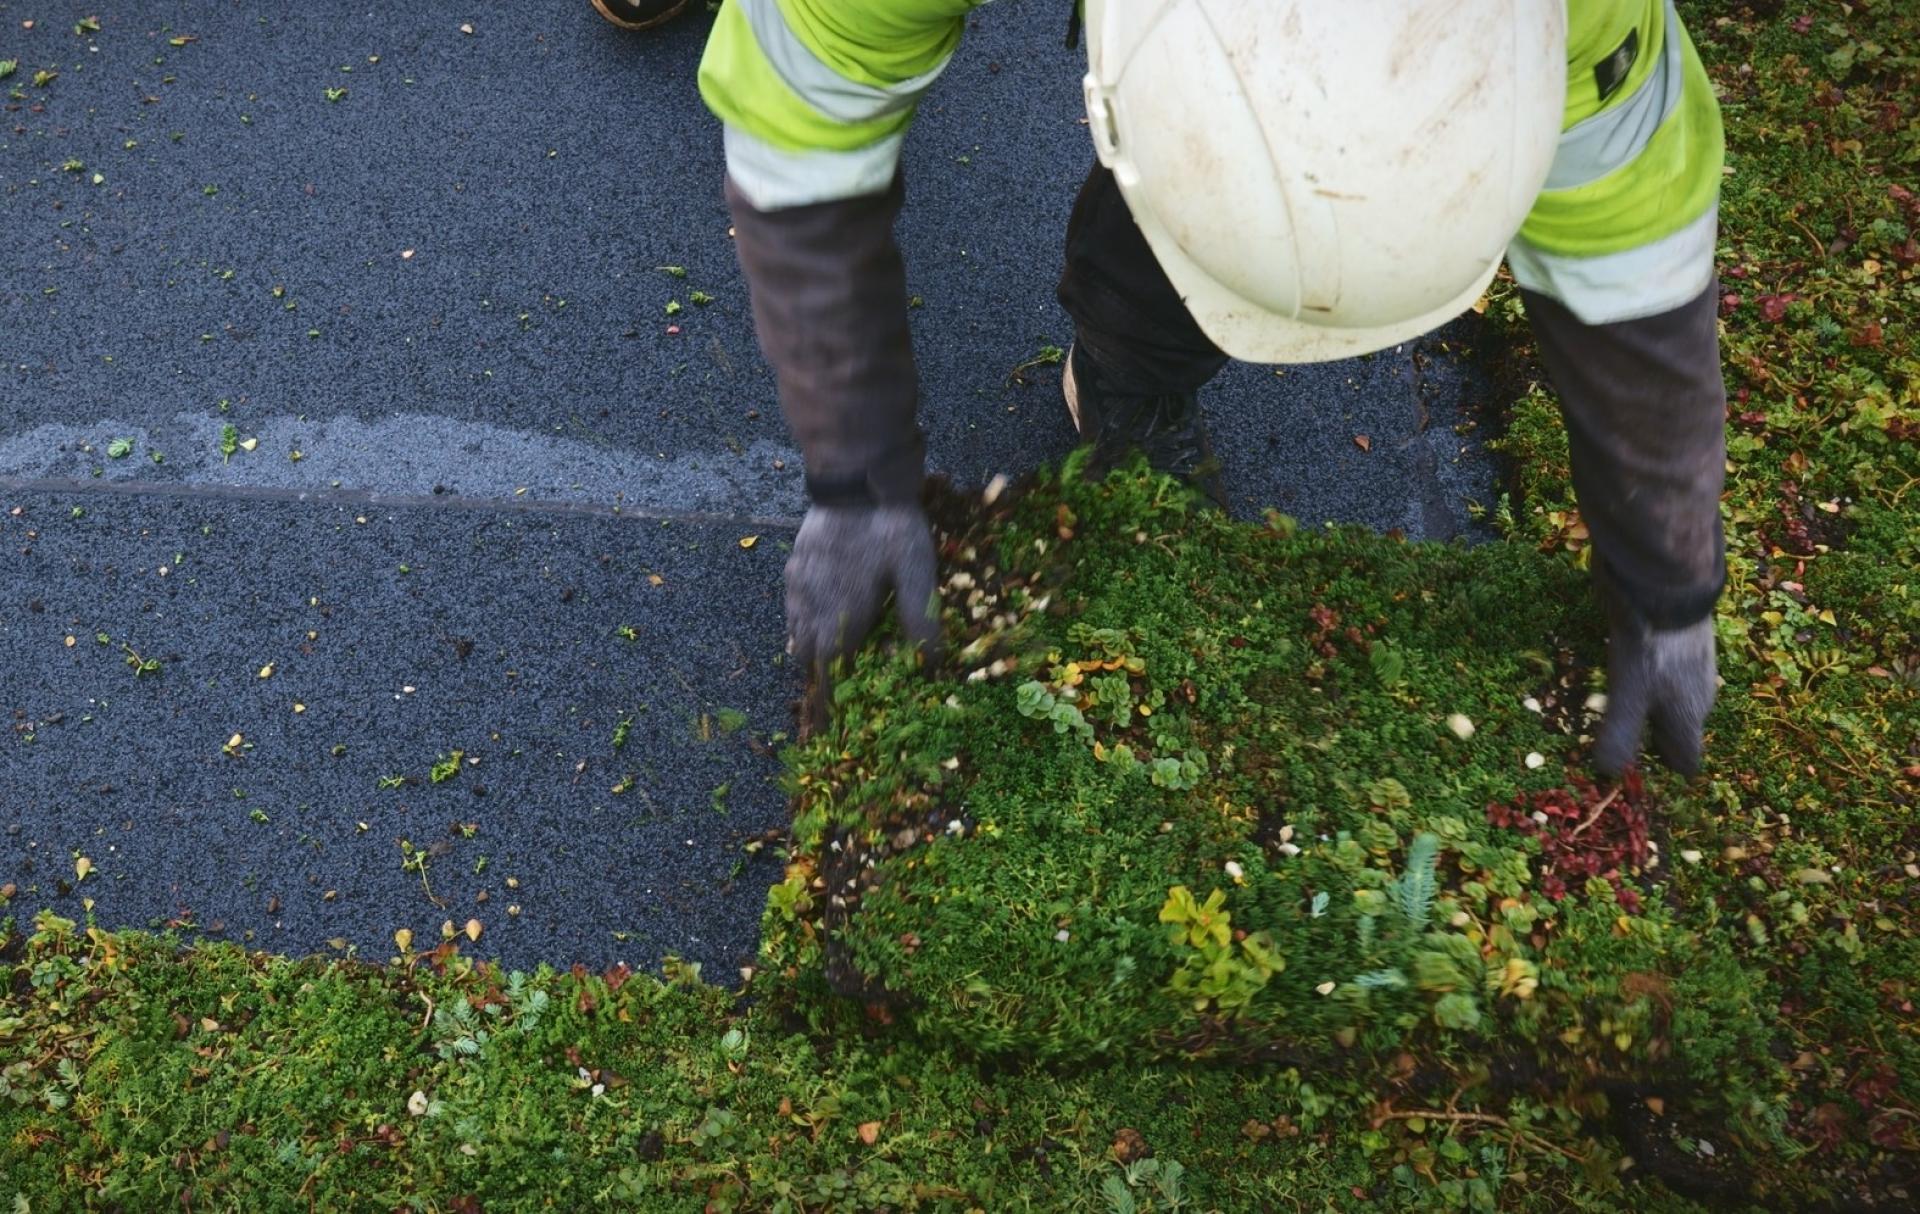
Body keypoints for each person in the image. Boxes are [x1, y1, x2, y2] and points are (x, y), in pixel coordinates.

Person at [680, 0, 1727, 777]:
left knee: (1222, 198)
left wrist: (1669, 577)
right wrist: (854, 470)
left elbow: (1633, 261)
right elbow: (805, 106)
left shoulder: (1582, 21)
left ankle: (1131, 366)